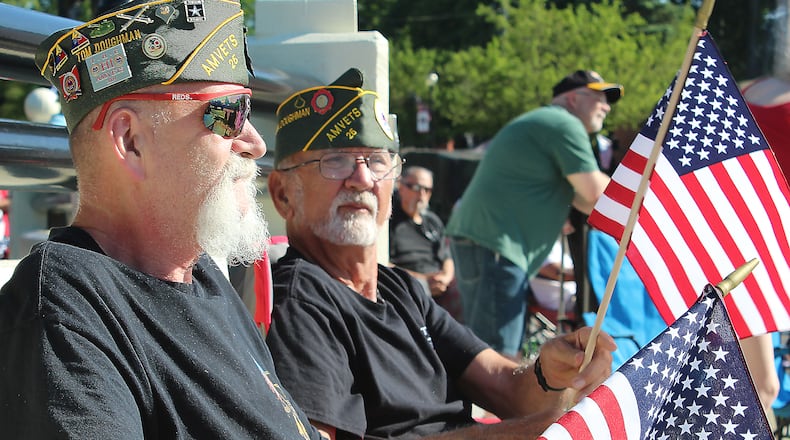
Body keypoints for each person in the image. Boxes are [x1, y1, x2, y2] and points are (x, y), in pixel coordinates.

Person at [0, 1, 322, 438]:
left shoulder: (203, 275)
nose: (256, 143)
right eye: (229, 114)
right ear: (130, 140)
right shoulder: (65, 309)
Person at [265, 68, 616, 440]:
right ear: (283, 194)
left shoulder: (400, 289)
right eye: (335, 161)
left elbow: (507, 387)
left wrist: (550, 370)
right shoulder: (301, 301)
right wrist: (536, 432)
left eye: (378, 161)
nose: (363, 179)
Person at [445, 70, 621, 359]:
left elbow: (587, 202)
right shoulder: (564, 124)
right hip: (497, 250)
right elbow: (597, 196)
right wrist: (647, 193)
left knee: (490, 356)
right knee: (497, 362)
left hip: (489, 246)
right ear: (574, 98)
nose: (607, 106)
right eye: (599, 97)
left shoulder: (545, 124)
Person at [390, 165, 461, 320]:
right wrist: (422, 280)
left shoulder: (432, 221)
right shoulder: (389, 222)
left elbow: (447, 256)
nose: (421, 195)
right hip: (407, 284)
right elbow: (383, 263)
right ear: (401, 186)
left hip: (440, 284)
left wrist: (446, 278)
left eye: (427, 190)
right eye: (415, 187)